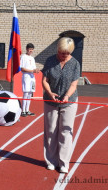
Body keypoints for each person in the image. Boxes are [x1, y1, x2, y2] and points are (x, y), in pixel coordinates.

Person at [41, 37, 80, 174]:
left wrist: (67, 96)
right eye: (62, 52)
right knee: (51, 130)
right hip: (50, 100)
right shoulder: (50, 61)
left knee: (65, 132)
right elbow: (44, 80)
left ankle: (63, 163)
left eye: (67, 53)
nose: (64, 55)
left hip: (69, 101)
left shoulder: (75, 63)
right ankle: (51, 161)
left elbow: (74, 84)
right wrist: (50, 92)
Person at [20, 43, 39, 117]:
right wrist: (32, 71)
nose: (31, 51)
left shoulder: (32, 58)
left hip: (32, 77)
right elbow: (22, 68)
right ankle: (23, 110)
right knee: (26, 93)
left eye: (32, 49)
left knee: (30, 93)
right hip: (26, 76)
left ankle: (27, 110)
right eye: (29, 49)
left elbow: (33, 68)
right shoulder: (23, 57)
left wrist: (36, 70)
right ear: (27, 49)